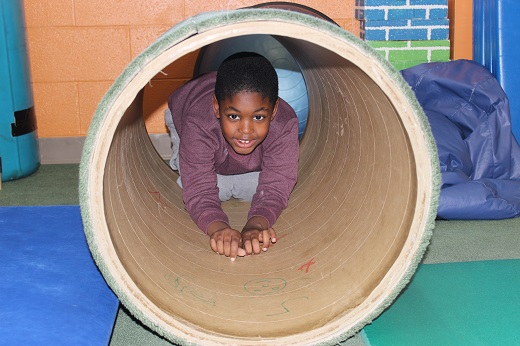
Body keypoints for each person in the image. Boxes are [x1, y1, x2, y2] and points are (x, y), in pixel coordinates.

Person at [165, 52, 299, 261]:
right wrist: (218, 228)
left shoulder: (284, 123)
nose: (246, 130)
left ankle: (235, 168)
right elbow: (199, 189)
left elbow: (277, 183)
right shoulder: (199, 123)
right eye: (234, 116)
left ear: (273, 113)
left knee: (256, 189)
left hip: (232, 140)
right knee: (195, 183)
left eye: (258, 117)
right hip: (186, 115)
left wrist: (257, 224)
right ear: (218, 108)